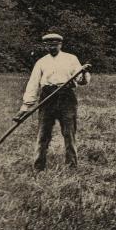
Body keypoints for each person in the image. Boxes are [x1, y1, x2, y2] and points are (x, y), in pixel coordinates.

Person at [15, 33, 90, 171]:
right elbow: (33, 84)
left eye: (55, 45)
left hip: (66, 97)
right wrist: (25, 107)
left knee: (69, 133)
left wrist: (84, 74)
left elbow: (81, 80)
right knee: (43, 134)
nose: (52, 47)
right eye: (49, 45)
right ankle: (38, 167)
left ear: (60, 45)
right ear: (45, 46)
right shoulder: (41, 62)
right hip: (47, 98)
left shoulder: (71, 59)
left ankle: (72, 167)